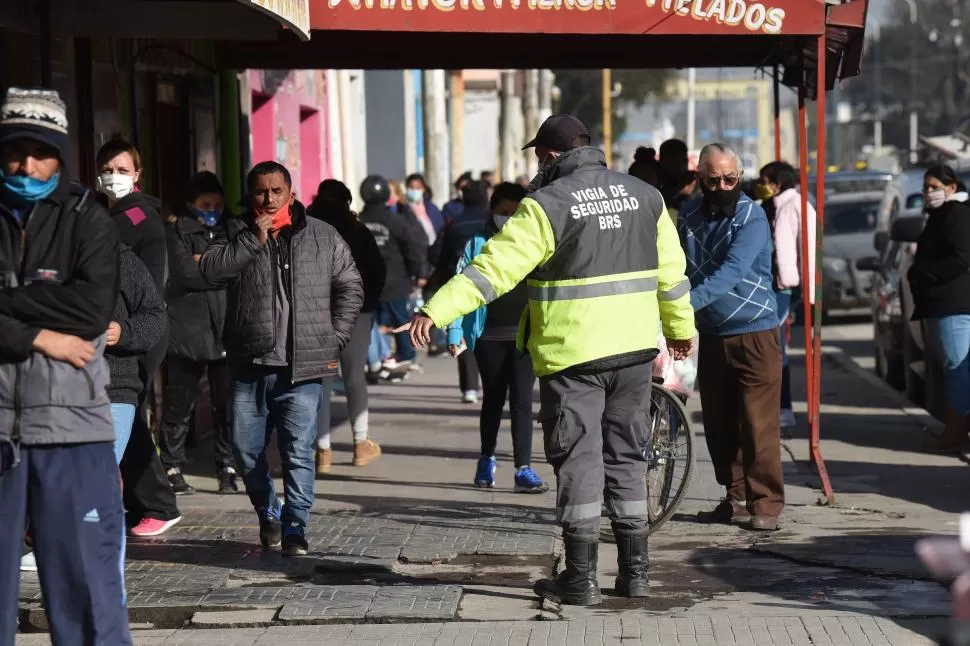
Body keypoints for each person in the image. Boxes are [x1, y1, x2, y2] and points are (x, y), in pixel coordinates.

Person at [404, 114, 696, 606]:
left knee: (579, 459)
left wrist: (436, 310)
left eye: (539, 156)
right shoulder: (647, 197)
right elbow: (672, 274)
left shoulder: (546, 204)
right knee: (627, 455)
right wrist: (680, 331)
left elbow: (492, 271)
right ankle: (636, 574)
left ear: (549, 156)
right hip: (633, 353)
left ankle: (580, 580)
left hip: (574, 356)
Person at [0, 86, 131, 644]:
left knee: (85, 590)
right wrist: (43, 336)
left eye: (40, 151)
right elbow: (68, 316)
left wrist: (8, 298)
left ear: (60, 155)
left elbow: (90, 308)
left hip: (71, 426)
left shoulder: (87, 221)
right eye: (15, 150)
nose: (26, 165)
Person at [199, 161, 363, 556]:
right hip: (249, 363)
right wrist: (251, 240)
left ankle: (295, 524)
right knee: (245, 449)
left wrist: (334, 336)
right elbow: (210, 272)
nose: (269, 199)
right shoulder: (235, 232)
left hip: (303, 367)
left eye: (276, 191)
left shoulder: (323, 235)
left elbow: (350, 286)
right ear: (250, 195)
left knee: (298, 448)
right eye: (260, 192)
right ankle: (267, 511)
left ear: (291, 192)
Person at [678, 143, 783, 532]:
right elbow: (677, 264)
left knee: (758, 425)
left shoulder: (751, 216)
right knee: (720, 426)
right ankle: (735, 497)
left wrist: (685, 305)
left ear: (740, 177)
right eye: (714, 179)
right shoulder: (689, 216)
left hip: (755, 332)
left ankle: (766, 504)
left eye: (730, 179)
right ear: (700, 179)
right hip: (711, 333)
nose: (723, 185)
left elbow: (733, 271)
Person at [96, 136, 183, 538]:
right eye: (108, 170)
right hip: (129, 333)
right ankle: (148, 502)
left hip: (134, 334)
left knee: (127, 415)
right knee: (128, 421)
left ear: (137, 175)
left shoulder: (129, 219)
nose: (114, 177)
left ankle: (157, 504)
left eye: (122, 170)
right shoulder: (122, 213)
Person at [446, 182, 548, 493]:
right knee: (492, 398)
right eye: (504, 211)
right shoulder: (476, 243)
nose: (509, 217)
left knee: (521, 401)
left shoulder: (533, 242)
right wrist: (454, 330)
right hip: (487, 336)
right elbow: (459, 284)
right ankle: (486, 459)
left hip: (525, 337)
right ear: (493, 210)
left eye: (515, 212)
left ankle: (523, 468)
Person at [158, 171, 238, 495]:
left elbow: (240, 267)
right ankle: (172, 465)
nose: (213, 210)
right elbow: (185, 274)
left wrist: (207, 263)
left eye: (218, 204)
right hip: (186, 331)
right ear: (192, 204)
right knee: (179, 404)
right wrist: (217, 266)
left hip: (225, 330)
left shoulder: (231, 227)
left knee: (227, 406)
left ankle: (227, 467)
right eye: (206, 204)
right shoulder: (176, 230)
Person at [309, 179, 386, 473]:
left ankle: (323, 452)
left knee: (322, 382)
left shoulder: (306, 229)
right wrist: (368, 303)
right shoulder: (357, 231)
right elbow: (378, 271)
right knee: (355, 378)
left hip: (316, 314)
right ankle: (360, 444)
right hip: (356, 314)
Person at [105, 244, 167, 604]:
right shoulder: (39, 257)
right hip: (56, 388)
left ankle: (110, 590)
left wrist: (123, 332)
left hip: (115, 387)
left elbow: (155, 316)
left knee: (97, 480)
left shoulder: (123, 261)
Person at [908, 164, 970, 451]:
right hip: (942, 304)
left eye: (934, 187)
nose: (929, 193)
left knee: (956, 367)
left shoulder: (956, 214)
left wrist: (923, 273)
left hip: (952, 304)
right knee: (955, 366)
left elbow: (961, 258)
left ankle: (957, 429)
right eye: (925, 187)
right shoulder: (939, 215)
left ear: (952, 188)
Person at [756, 161, 816, 430]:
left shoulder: (796, 205)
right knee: (771, 347)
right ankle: (775, 406)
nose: (761, 185)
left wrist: (808, 290)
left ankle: (784, 407)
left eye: (764, 180)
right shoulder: (769, 206)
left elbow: (809, 248)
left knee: (776, 349)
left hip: (784, 286)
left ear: (777, 182)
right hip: (768, 284)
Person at [432, 181, 493, 403]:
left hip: (458, 282)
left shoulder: (454, 224)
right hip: (492, 284)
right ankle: (491, 382)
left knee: (464, 330)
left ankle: (469, 387)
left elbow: (440, 254)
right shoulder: (492, 223)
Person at [359, 174, 428, 369]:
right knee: (401, 320)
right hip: (395, 280)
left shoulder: (358, 220)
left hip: (366, 282)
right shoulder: (395, 220)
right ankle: (407, 354)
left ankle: (372, 358)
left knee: (368, 322)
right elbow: (411, 247)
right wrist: (418, 272)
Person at [658, 138, 692, 211]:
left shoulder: (695, 181)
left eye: (684, 161)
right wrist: (679, 190)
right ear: (662, 162)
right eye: (674, 162)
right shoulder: (654, 184)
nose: (681, 166)